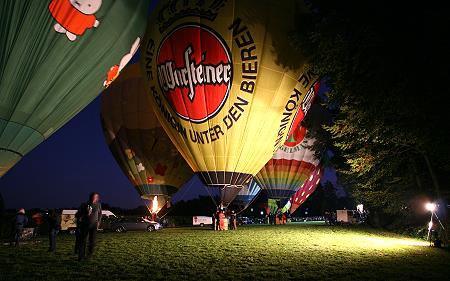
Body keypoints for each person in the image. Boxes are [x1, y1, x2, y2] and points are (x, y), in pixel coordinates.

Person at [77, 192, 102, 261]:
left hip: (94, 225)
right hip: (85, 225)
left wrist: (99, 222)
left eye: (96, 197)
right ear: (90, 197)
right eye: (94, 197)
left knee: (92, 241)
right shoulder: (84, 205)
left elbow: (100, 214)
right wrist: (86, 214)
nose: (95, 198)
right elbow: (77, 215)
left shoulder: (98, 205)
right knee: (83, 240)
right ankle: (81, 256)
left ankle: (89, 255)